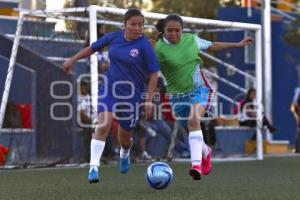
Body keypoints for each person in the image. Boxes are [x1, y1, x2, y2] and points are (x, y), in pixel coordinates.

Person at [63, 8, 160, 183]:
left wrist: (148, 100)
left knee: (124, 139)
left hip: (132, 97)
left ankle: (124, 153)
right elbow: (91, 49)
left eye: (141, 25)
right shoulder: (113, 37)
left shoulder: (145, 45)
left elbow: (154, 75)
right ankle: (93, 168)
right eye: (133, 24)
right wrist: (72, 59)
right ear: (124, 25)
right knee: (102, 126)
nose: (137, 28)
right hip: (109, 90)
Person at [154, 14, 253, 180]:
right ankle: (206, 152)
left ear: (182, 30)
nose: (173, 34)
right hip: (177, 96)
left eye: (177, 30)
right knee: (190, 128)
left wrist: (237, 44)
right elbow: (148, 67)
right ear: (163, 31)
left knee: (194, 121)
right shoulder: (158, 48)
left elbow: (213, 45)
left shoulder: (192, 40)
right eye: (169, 30)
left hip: (199, 89)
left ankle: (196, 166)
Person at [77, 80, 95, 163]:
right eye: (82, 86)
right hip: (81, 122)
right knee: (90, 131)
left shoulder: (88, 96)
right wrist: (91, 121)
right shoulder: (78, 97)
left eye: (85, 85)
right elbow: (81, 114)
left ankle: (107, 154)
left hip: (90, 120)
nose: (84, 87)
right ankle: (87, 157)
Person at [290, 87, 300, 153]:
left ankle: (296, 148)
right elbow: (294, 106)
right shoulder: (298, 90)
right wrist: (297, 117)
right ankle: (297, 148)